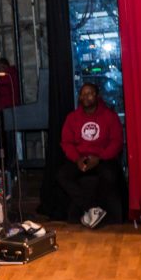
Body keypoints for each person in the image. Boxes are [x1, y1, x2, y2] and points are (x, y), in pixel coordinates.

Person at [57, 83, 124, 227]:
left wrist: (100, 158)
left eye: (90, 93)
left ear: (97, 96)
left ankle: (95, 212)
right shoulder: (72, 117)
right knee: (62, 175)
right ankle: (92, 208)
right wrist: (77, 159)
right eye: (83, 94)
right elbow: (66, 142)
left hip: (102, 158)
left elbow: (117, 142)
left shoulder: (109, 116)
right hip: (81, 158)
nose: (85, 97)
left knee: (109, 175)